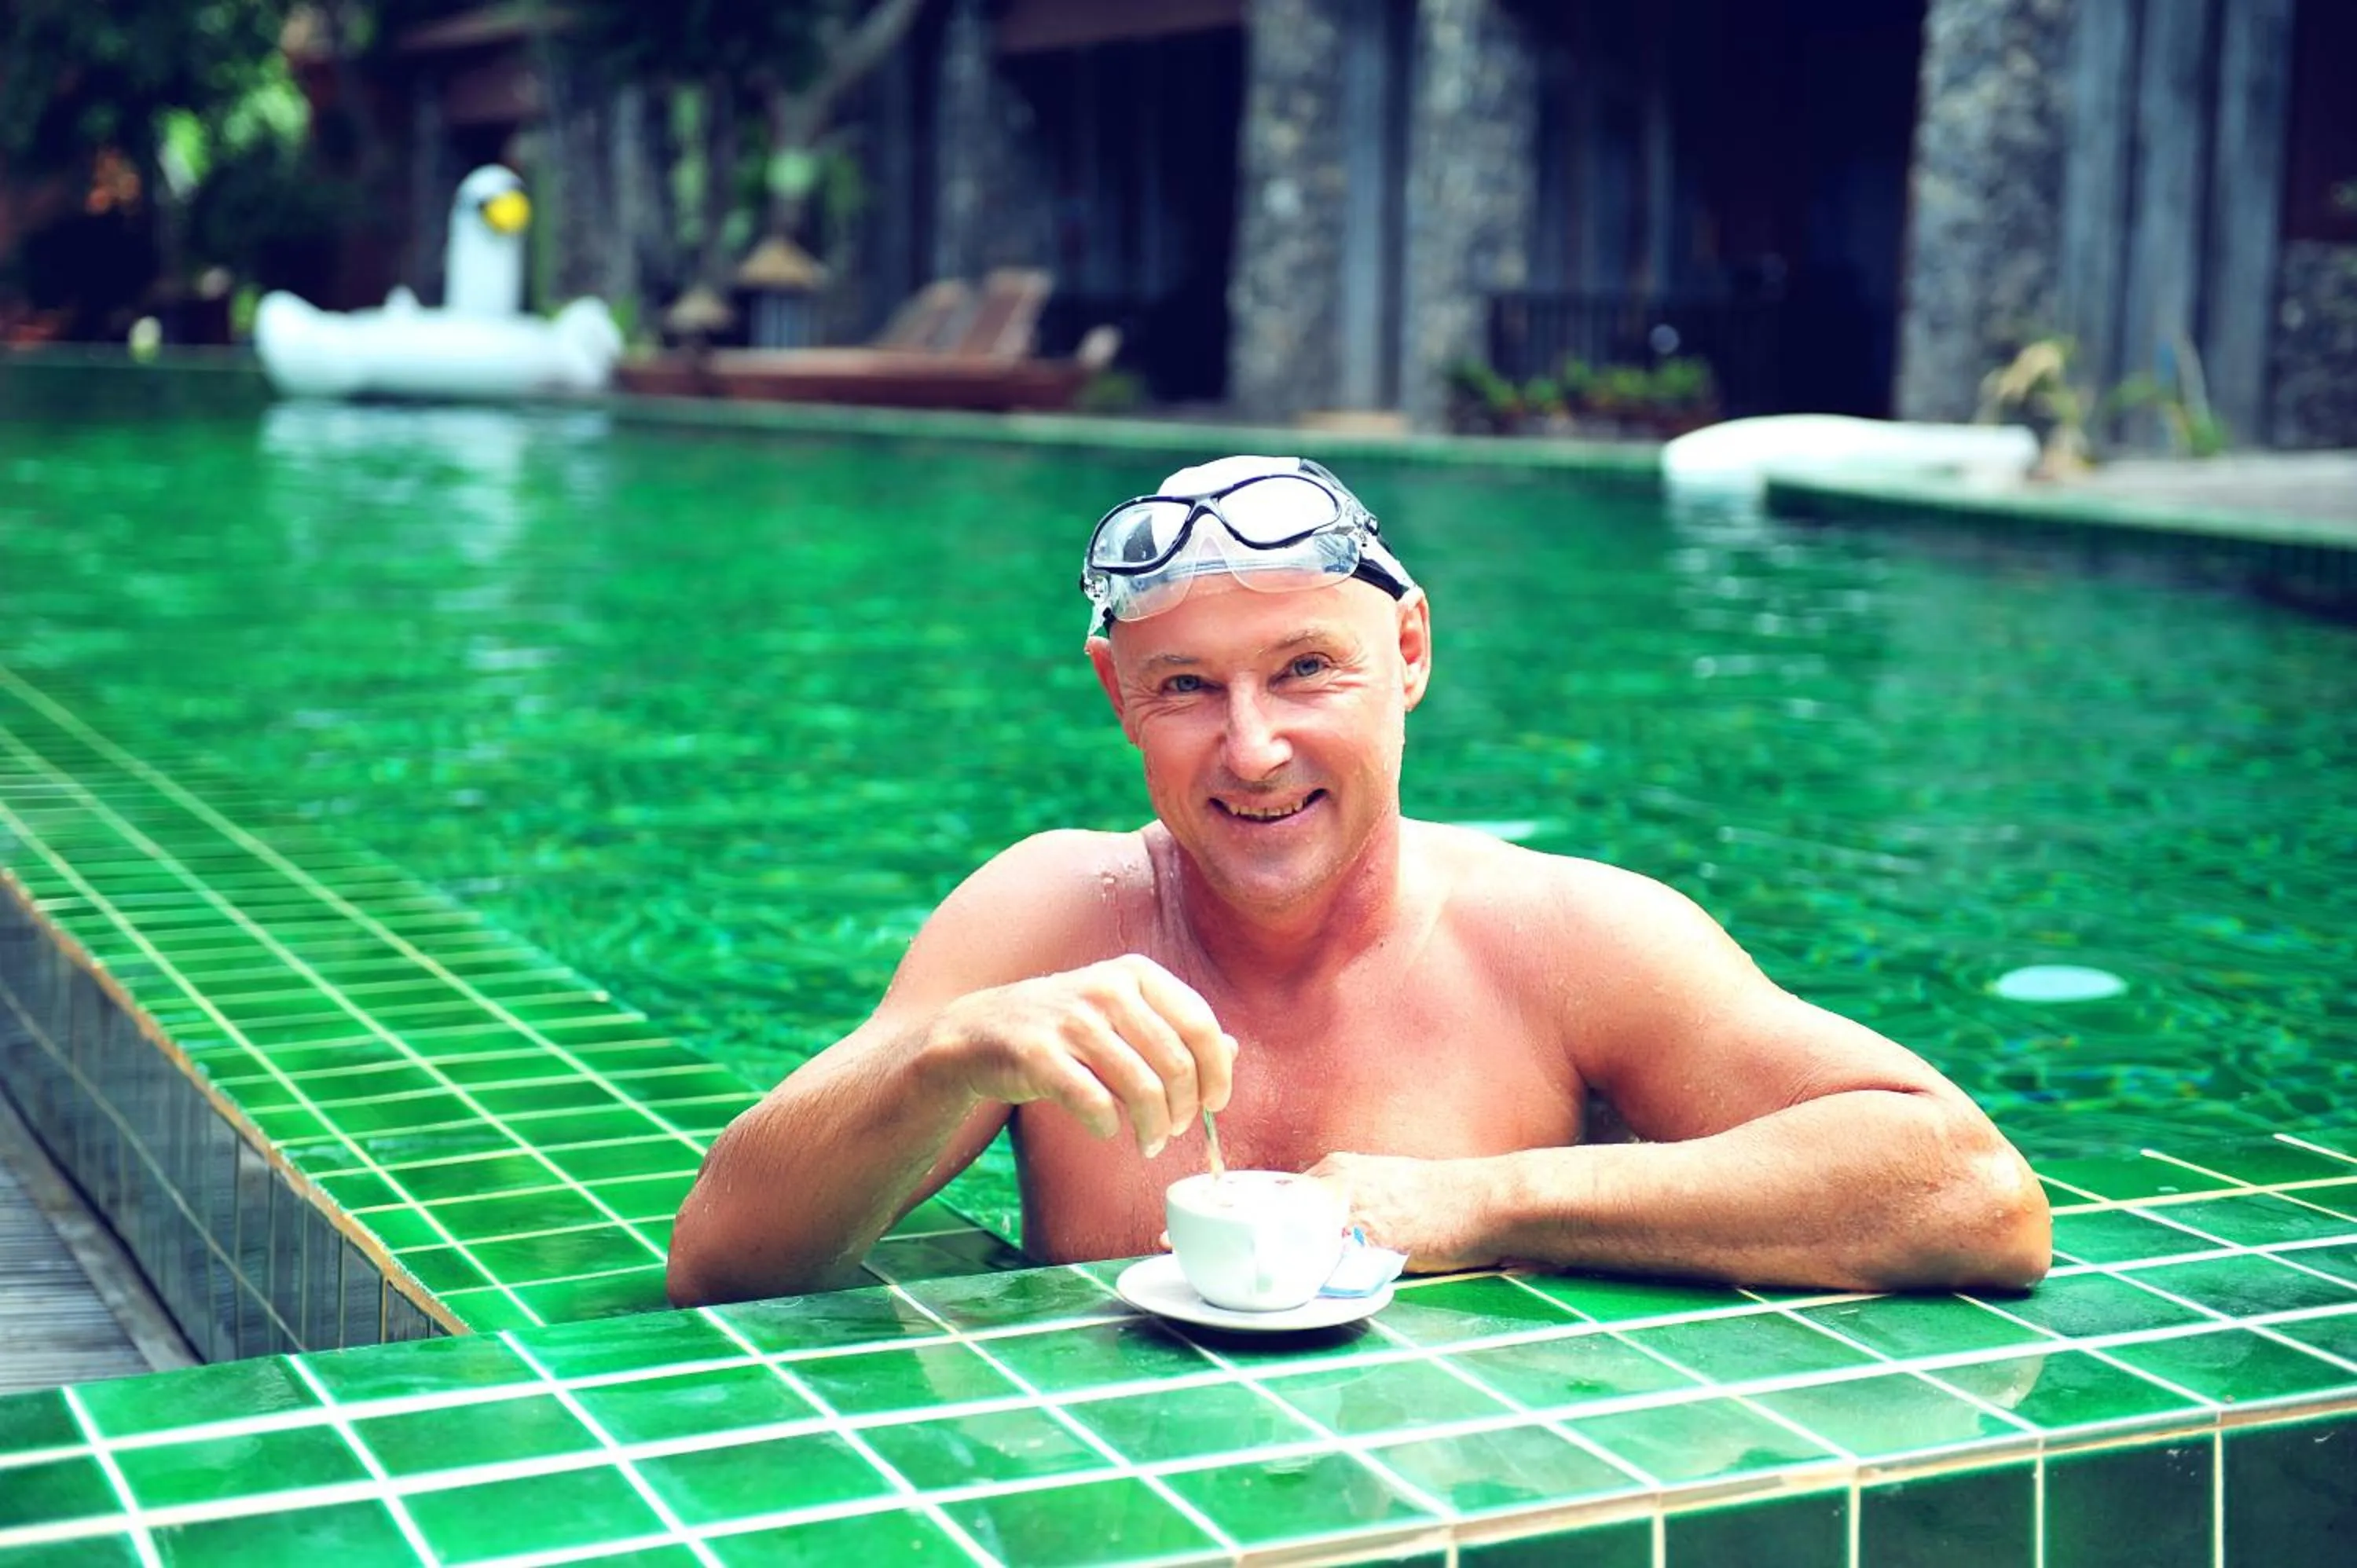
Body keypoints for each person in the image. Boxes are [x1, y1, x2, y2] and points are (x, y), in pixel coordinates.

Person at [666, 455, 2050, 1306]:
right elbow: (720, 1265)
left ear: (1410, 654)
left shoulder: (1562, 934)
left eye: (1306, 669)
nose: (1253, 747)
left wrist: (1484, 1202)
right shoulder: (1047, 917)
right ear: (1117, 698)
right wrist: (943, 1061)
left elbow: (1972, 1194)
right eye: (1187, 687)